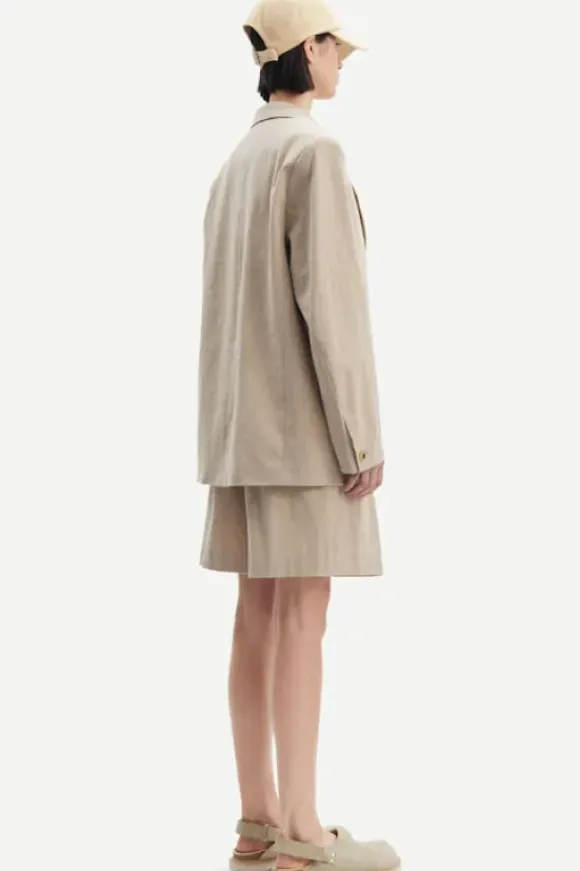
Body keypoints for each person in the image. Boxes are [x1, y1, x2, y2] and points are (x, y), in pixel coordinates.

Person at [196, 1, 400, 870]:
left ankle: (258, 822)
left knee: (256, 617)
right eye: (333, 46)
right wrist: (361, 438)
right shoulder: (313, 154)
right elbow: (333, 312)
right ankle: (304, 835)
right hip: (303, 434)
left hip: (240, 433)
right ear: (305, 50)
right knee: (304, 618)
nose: (342, 60)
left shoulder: (236, 163)